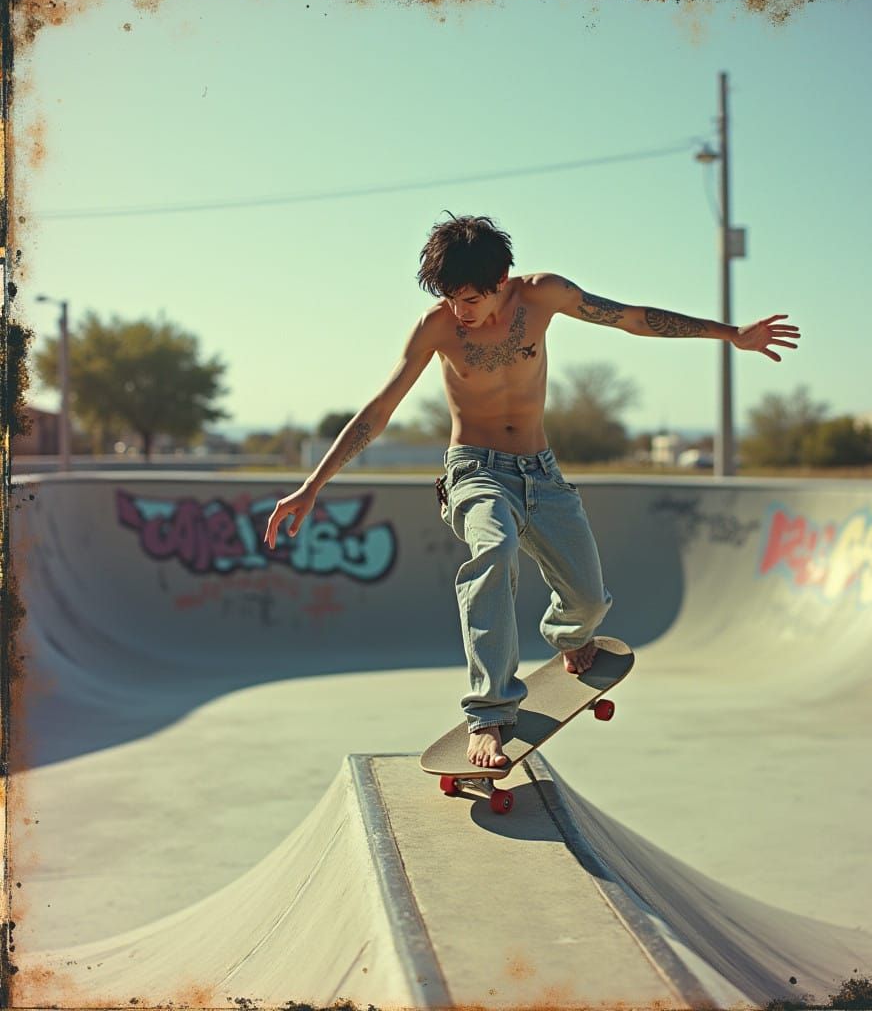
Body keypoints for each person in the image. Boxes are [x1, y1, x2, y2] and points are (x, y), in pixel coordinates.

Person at [264, 213, 800, 769]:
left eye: (470, 298)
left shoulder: (544, 295)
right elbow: (380, 410)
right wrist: (311, 486)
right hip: (474, 470)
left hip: (541, 472)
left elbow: (632, 319)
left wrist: (729, 333)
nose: (458, 311)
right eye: (449, 298)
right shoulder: (437, 328)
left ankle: (568, 635)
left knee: (590, 601)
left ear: (502, 280)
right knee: (493, 550)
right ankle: (490, 713)